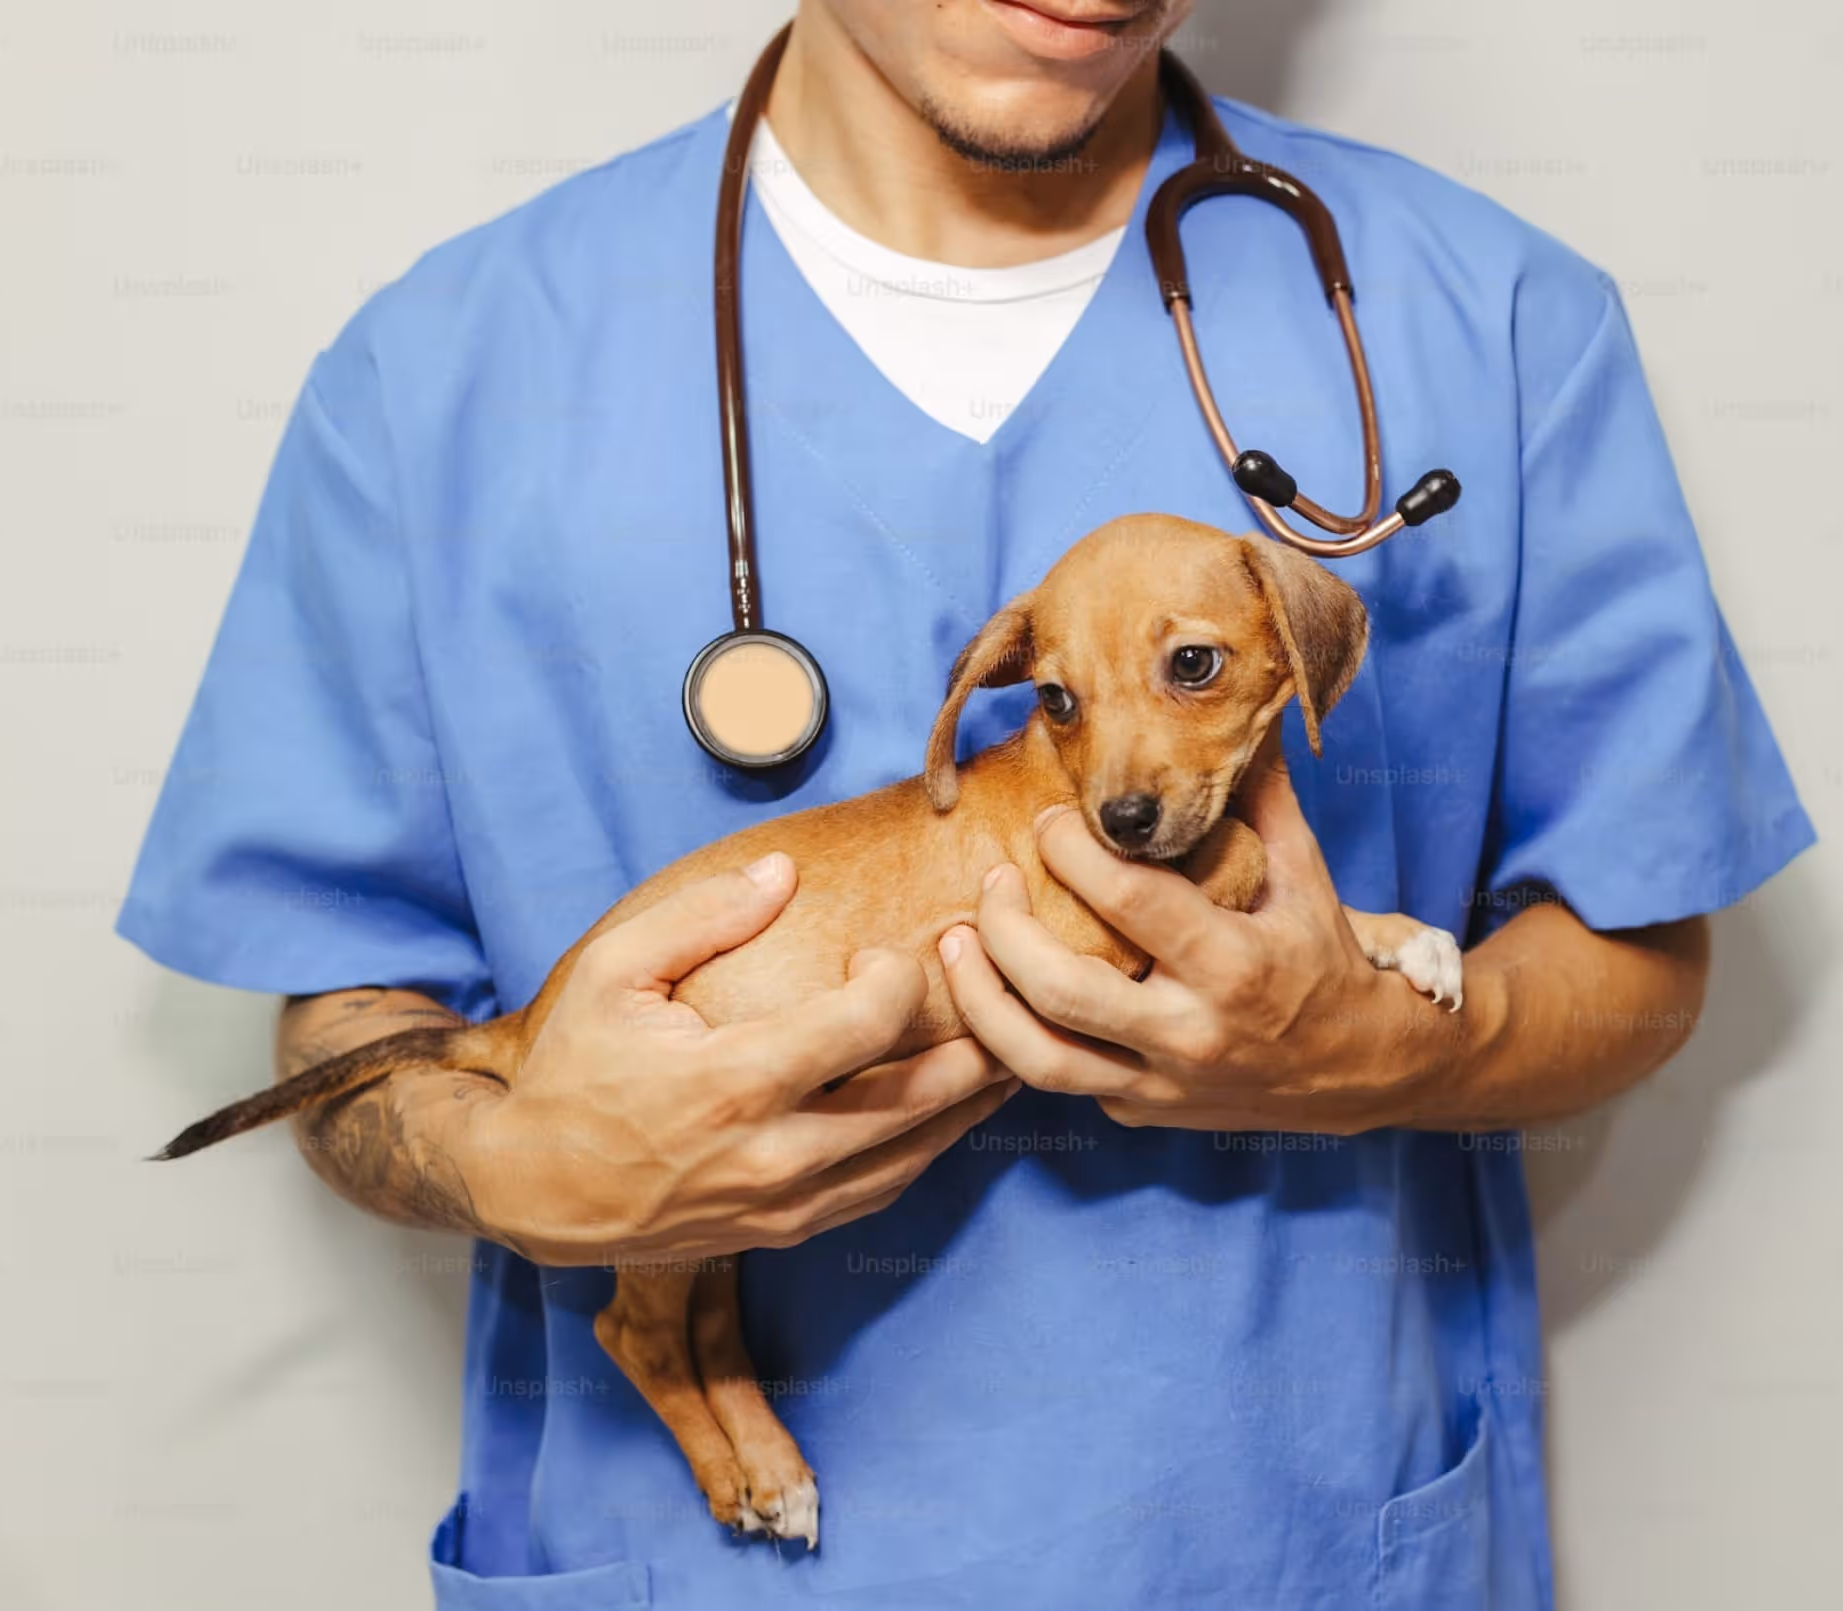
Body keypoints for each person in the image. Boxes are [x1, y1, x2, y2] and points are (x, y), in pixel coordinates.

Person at [116, 2, 1815, 1606]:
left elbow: (1645, 952)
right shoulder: (442, 378)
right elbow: (346, 1019)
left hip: (1284, 1538)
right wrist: (511, 1160)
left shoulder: (1493, 316)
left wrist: (1391, 1050)